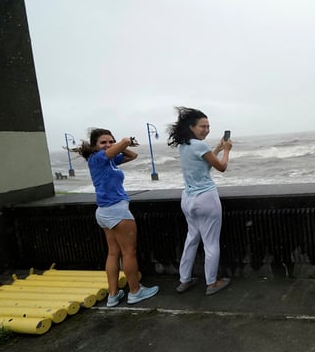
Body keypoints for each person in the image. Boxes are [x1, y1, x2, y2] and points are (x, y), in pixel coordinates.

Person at [76, 128, 160, 307]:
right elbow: (123, 143)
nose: (108, 145)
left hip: (105, 212)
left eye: (110, 141)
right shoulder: (98, 158)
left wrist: (121, 146)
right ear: (94, 146)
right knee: (129, 253)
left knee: (113, 253)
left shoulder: (108, 160)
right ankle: (135, 292)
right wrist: (124, 141)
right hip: (116, 211)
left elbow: (133, 156)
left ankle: (113, 295)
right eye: (103, 142)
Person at [167, 107, 233, 295]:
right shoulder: (200, 146)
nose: (206, 130)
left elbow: (202, 166)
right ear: (191, 127)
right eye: (202, 126)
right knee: (211, 242)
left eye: (208, 126)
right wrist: (227, 151)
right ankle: (211, 283)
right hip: (206, 199)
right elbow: (221, 167)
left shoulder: (185, 145)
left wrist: (219, 148)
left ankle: (184, 280)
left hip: (188, 199)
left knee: (192, 239)